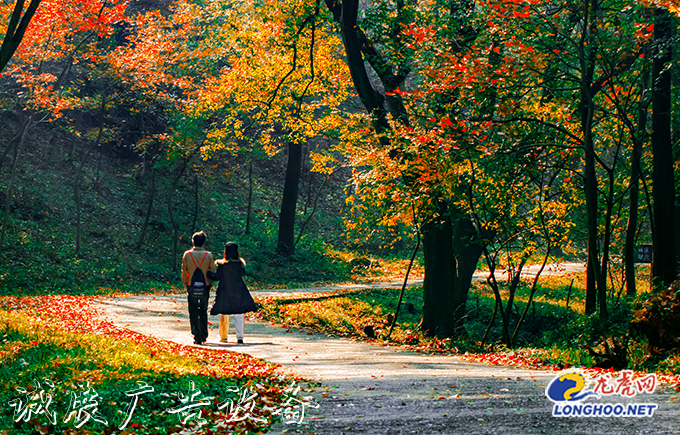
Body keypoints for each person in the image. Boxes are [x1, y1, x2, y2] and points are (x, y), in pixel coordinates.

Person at [207, 242, 257, 344]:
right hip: (238, 290)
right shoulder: (239, 264)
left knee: (225, 313)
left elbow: (217, 277)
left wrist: (207, 273)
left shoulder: (222, 265)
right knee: (239, 314)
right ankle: (240, 337)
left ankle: (224, 336)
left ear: (225, 252)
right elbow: (243, 274)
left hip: (225, 291)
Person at [181, 231, 215, 345]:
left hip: (192, 286)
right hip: (204, 287)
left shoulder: (187, 254)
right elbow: (211, 272)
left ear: (193, 241)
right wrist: (210, 285)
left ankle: (196, 334)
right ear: (203, 242)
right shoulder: (208, 255)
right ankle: (204, 334)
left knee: (193, 310)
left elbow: (184, 271)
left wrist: (186, 285)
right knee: (203, 310)